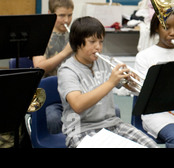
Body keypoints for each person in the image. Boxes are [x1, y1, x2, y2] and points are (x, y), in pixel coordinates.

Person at [57, 16, 157, 148]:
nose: (98, 47)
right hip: (80, 130)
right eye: (92, 42)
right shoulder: (67, 70)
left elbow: (130, 87)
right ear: (77, 43)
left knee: (151, 145)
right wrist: (110, 82)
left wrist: (131, 82)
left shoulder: (105, 62)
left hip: (112, 124)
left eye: (101, 42)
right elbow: (77, 104)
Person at [134, 11, 174, 148]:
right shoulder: (144, 56)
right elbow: (144, 93)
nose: (173, 33)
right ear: (156, 27)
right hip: (157, 114)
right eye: (167, 27)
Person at [32, 0, 74, 134]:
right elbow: (39, 68)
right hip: (48, 95)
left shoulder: (75, 35)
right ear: (50, 14)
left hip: (74, 93)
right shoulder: (41, 35)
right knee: (53, 118)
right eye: (61, 15)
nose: (66, 20)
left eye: (70, 15)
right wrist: (65, 52)